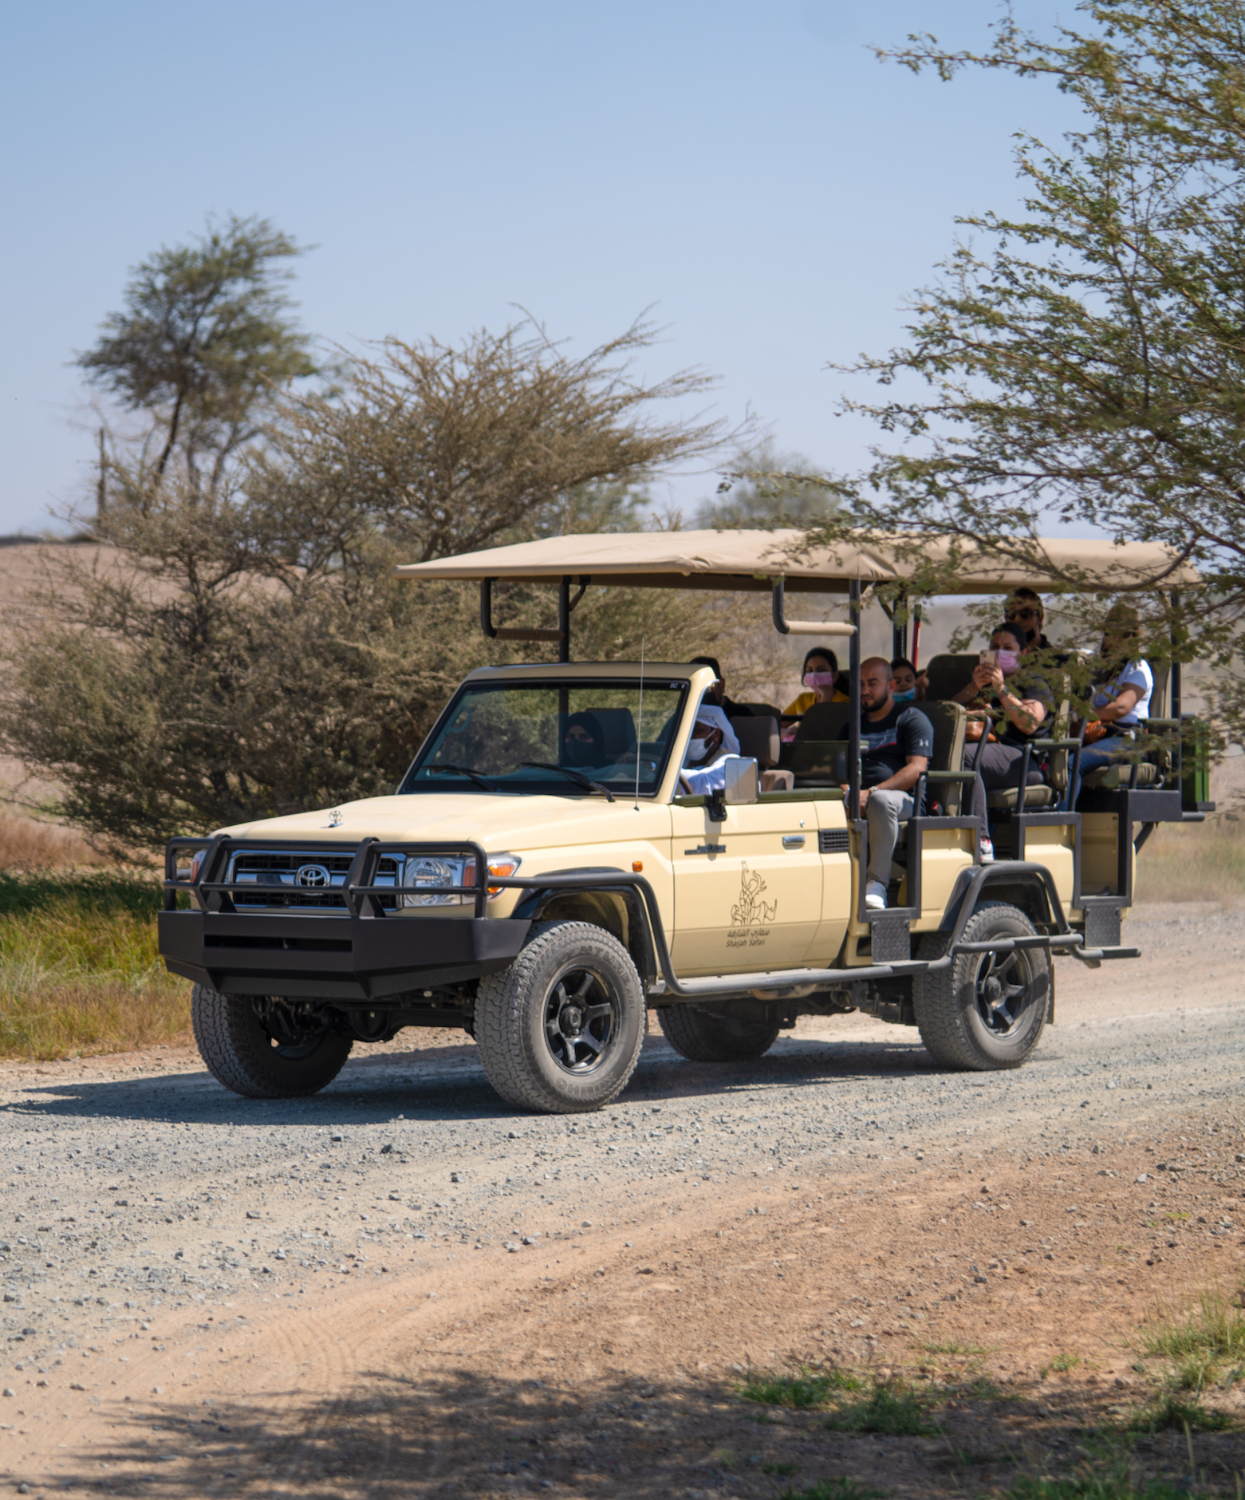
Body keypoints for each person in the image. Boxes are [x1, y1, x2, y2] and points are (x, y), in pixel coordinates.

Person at [841, 657, 933, 911]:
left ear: (891, 685)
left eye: (873, 683)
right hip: (858, 796)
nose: (865, 690)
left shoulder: (911, 719)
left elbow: (916, 768)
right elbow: (838, 771)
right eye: (860, 684)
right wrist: (848, 793)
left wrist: (870, 793)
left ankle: (877, 883)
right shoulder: (852, 726)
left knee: (879, 801)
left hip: (902, 802)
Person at [956, 622, 1054, 860]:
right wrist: (973, 687)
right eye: (994, 646)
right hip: (991, 751)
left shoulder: (1034, 683)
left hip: (1024, 760)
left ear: (1022, 653)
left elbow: (1030, 722)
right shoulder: (983, 685)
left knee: (967, 756)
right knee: (951, 753)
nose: (999, 652)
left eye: (1007, 647)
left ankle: (981, 841)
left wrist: (1001, 689)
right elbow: (950, 713)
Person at [1075, 603, 1154, 780]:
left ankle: (1065, 809)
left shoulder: (1138, 668)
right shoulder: (1097, 667)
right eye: (1112, 633)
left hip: (1126, 738)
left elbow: (1121, 708)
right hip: (1098, 734)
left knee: (1073, 763)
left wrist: (1082, 715)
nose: (1117, 640)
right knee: (1053, 755)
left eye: (1124, 634)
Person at [678, 704, 743, 796]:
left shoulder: (732, 762)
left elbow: (703, 783)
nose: (690, 737)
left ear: (716, 734)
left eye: (697, 730)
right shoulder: (685, 761)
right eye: (687, 732)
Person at [785, 645, 850, 717]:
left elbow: (818, 726)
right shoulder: (803, 700)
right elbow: (777, 723)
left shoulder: (845, 703)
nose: (814, 675)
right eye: (809, 671)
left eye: (821, 670)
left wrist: (826, 696)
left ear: (835, 676)